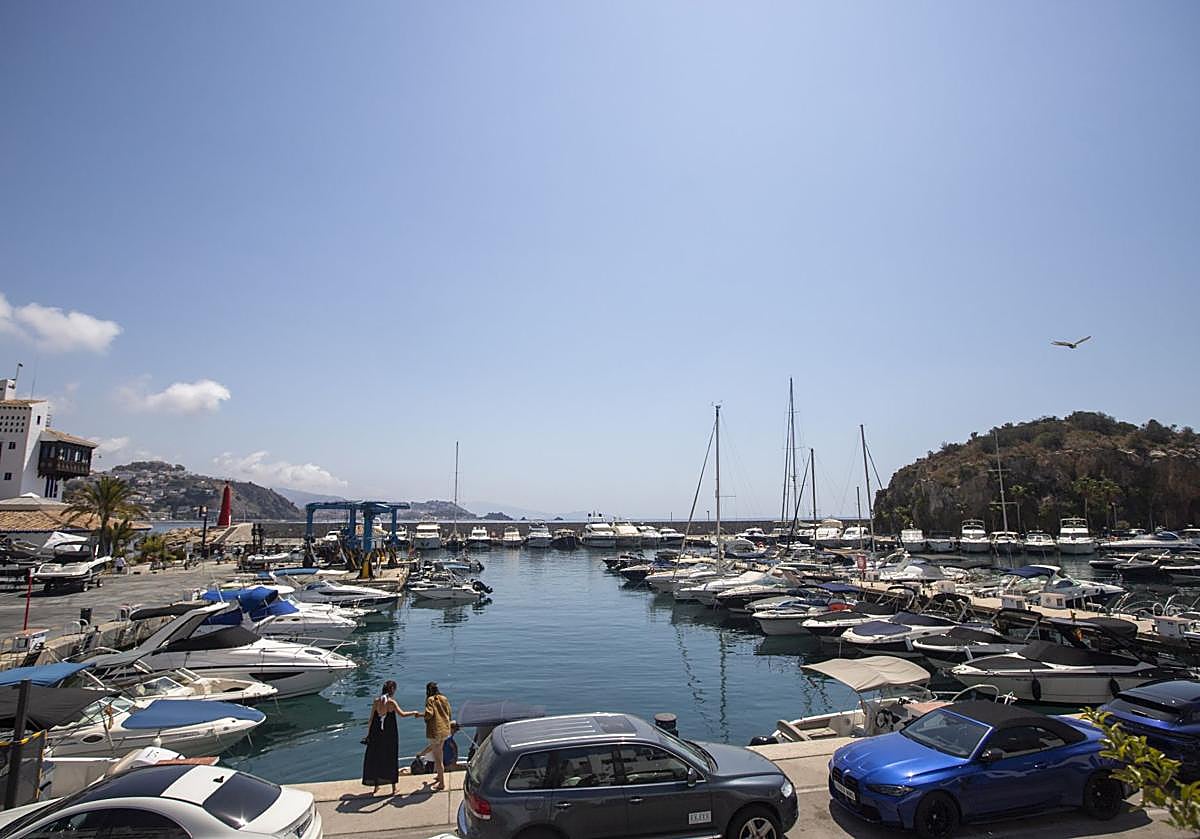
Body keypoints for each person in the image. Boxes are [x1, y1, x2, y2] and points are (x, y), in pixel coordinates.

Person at [361, 680, 417, 796]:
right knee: (390, 757)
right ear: (393, 690)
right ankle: (393, 788)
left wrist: (368, 734)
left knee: (376, 757)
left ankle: (376, 786)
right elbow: (402, 714)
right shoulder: (391, 703)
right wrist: (414, 712)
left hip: (376, 733)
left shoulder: (376, 701)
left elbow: (371, 719)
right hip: (389, 734)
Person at [414, 681, 452, 791]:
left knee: (438, 759)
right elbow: (449, 713)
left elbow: (429, 714)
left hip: (435, 732)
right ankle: (439, 777)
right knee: (439, 753)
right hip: (445, 731)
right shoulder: (444, 698)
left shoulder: (430, 700)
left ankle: (441, 784)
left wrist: (419, 715)